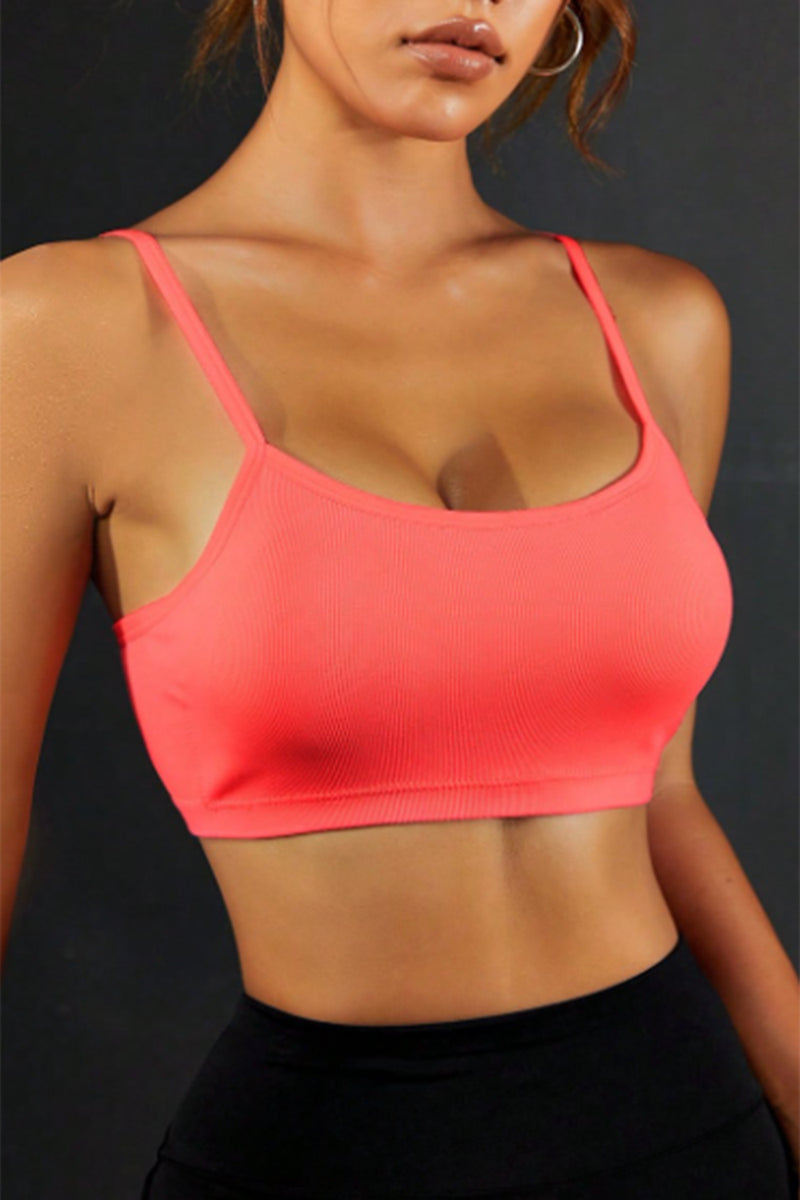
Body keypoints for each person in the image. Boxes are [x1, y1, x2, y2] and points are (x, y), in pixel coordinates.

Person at [2, 1, 798, 1197]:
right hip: (319, 1152)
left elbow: (661, 794)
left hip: (686, 1129)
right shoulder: (70, 327)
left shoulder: (655, 322)